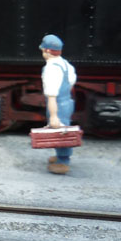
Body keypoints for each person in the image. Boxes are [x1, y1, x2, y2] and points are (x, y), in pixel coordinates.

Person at [40, 33, 78, 175]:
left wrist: (54, 116)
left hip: (58, 104)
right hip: (67, 101)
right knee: (61, 129)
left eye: (42, 50)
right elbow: (72, 81)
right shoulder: (65, 64)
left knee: (61, 132)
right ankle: (60, 155)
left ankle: (63, 161)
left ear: (47, 51)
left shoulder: (51, 68)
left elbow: (51, 95)